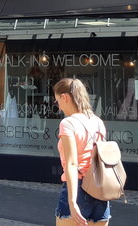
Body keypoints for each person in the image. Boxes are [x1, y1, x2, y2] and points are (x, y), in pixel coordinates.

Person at [53, 77, 110, 226]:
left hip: (78, 187)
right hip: (100, 188)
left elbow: (72, 164)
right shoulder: (98, 122)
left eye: (57, 102)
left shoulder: (68, 123)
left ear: (64, 97)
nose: (59, 107)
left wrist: (72, 202)